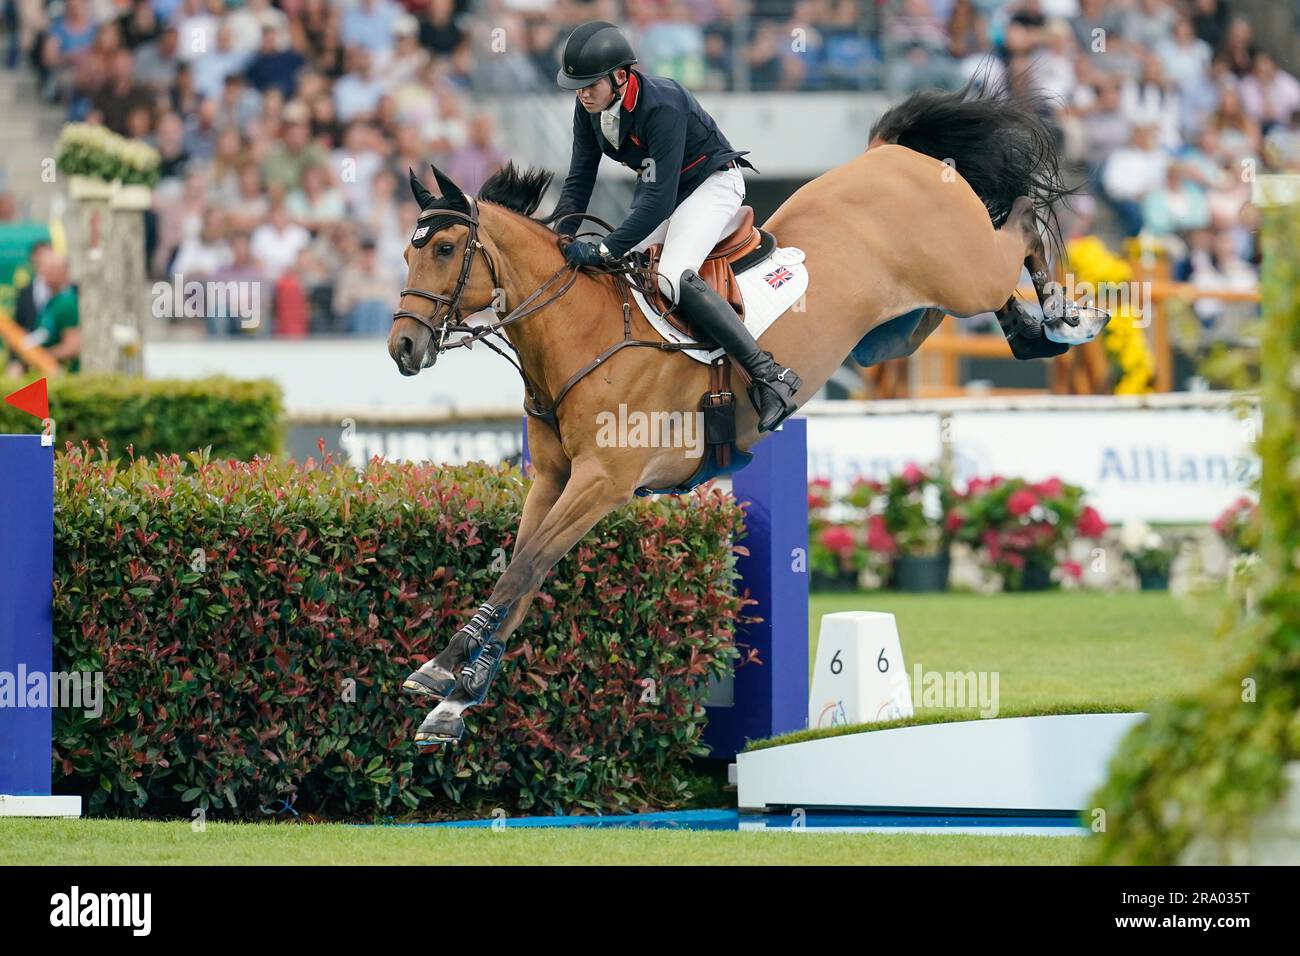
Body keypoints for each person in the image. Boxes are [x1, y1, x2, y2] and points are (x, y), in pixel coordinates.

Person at [549, 20, 801, 432]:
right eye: (577, 85)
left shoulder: (661, 104)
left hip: (712, 184)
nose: (582, 92)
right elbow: (579, 179)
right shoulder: (589, 107)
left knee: (670, 276)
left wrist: (606, 247)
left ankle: (770, 376)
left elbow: (657, 200)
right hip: (664, 191)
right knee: (620, 274)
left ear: (620, 76)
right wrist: (559, 233)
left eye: (590, 83)